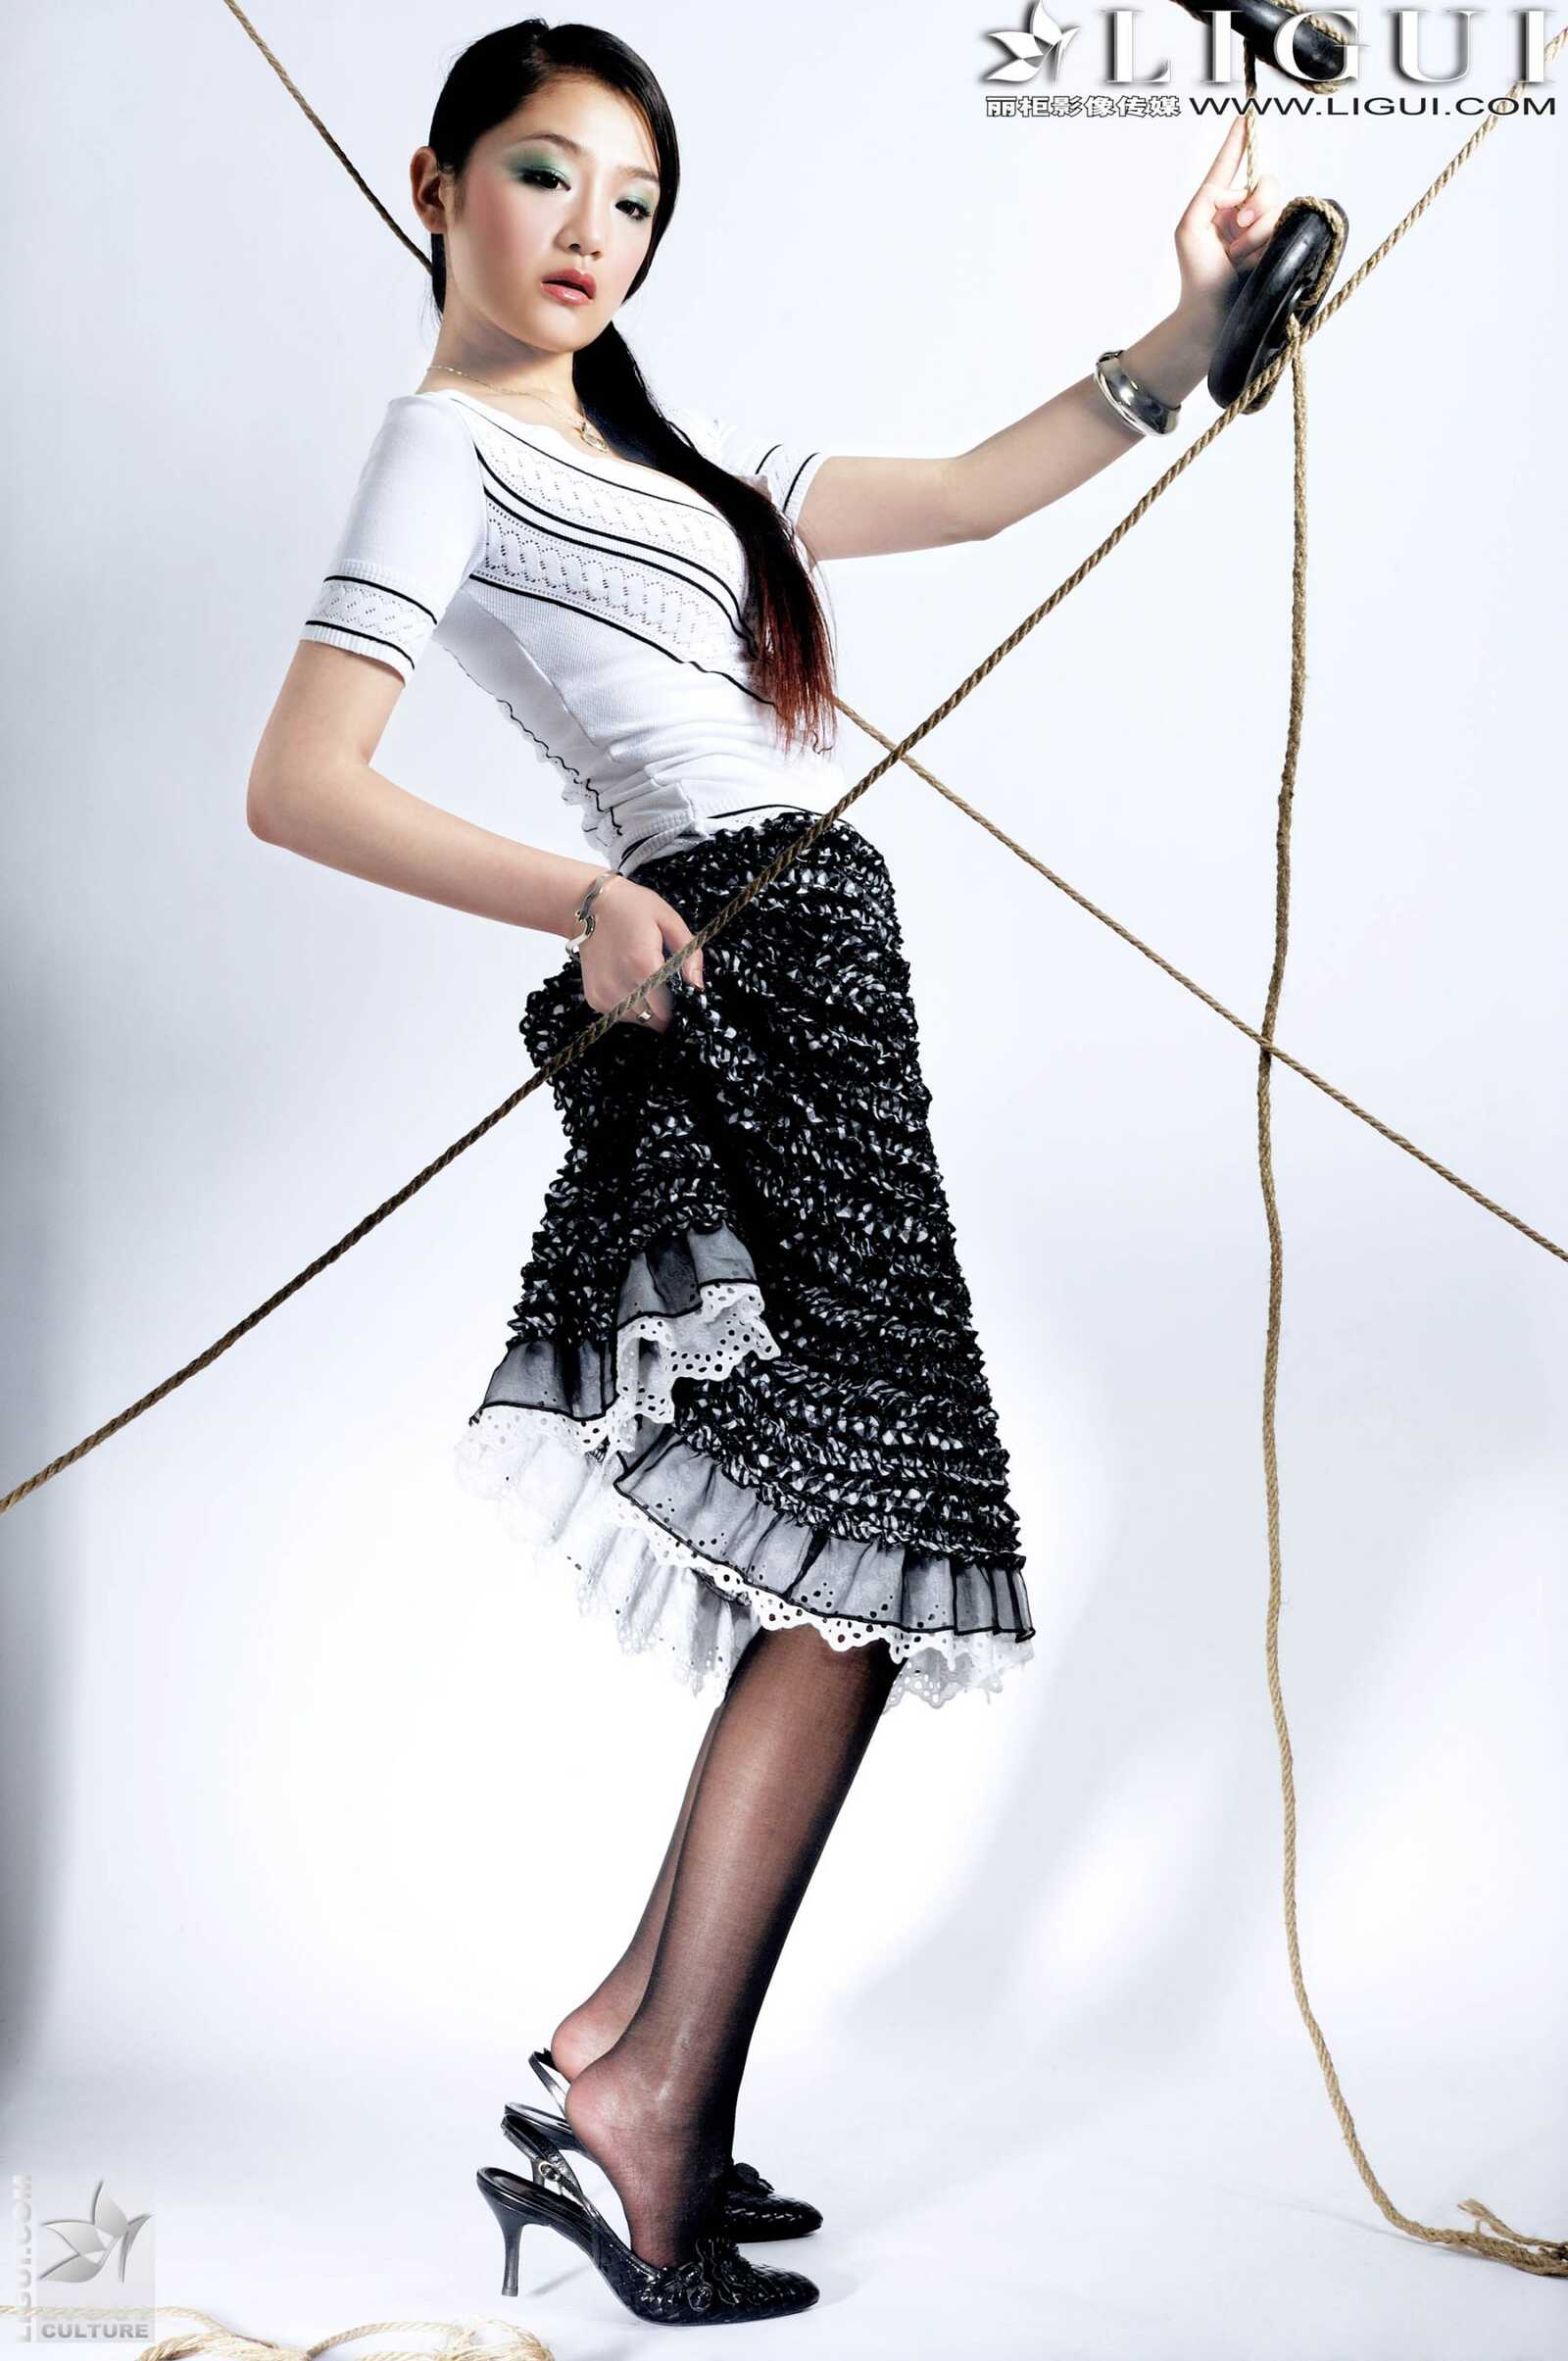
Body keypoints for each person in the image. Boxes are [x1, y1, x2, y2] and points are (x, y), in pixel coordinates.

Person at [246, 17, 1281, 2329]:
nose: (589, 232)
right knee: (869, 1545)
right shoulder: (440, 449)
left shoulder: (685, 466)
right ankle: (646, 2106)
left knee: (865, 1533)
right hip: (734, 959)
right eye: (544, 174)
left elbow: (986, 490)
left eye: (631, 199)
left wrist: (1188, 325)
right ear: (436, 184)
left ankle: (612, 2048)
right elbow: (300, 780)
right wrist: (582, 898)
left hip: (815, 966)